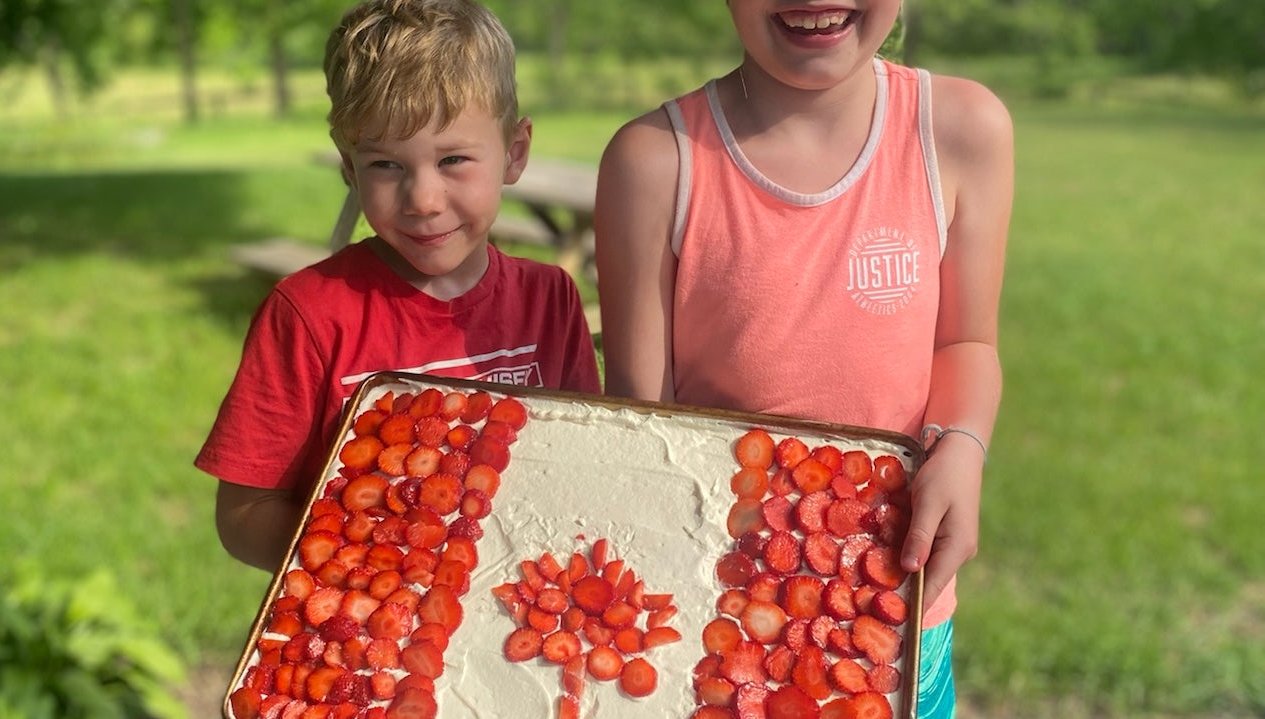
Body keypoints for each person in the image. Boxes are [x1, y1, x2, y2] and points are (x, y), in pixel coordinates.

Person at [594, 2, 1011, 716]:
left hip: (897, 608)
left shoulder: (962, 130)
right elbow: (646, 431)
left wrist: (964, 446)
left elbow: (966, 342)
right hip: (718, 619)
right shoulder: (654, 162)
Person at [197, 0, 601, 573]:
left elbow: (586, 465)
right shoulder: (307, 314)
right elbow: (244, 515)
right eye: (386, 165)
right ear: (348, 166)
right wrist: (376, 560)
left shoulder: (551, 300)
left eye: (453, 159)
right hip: (373, 615)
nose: (423, 200)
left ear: (515, 153)